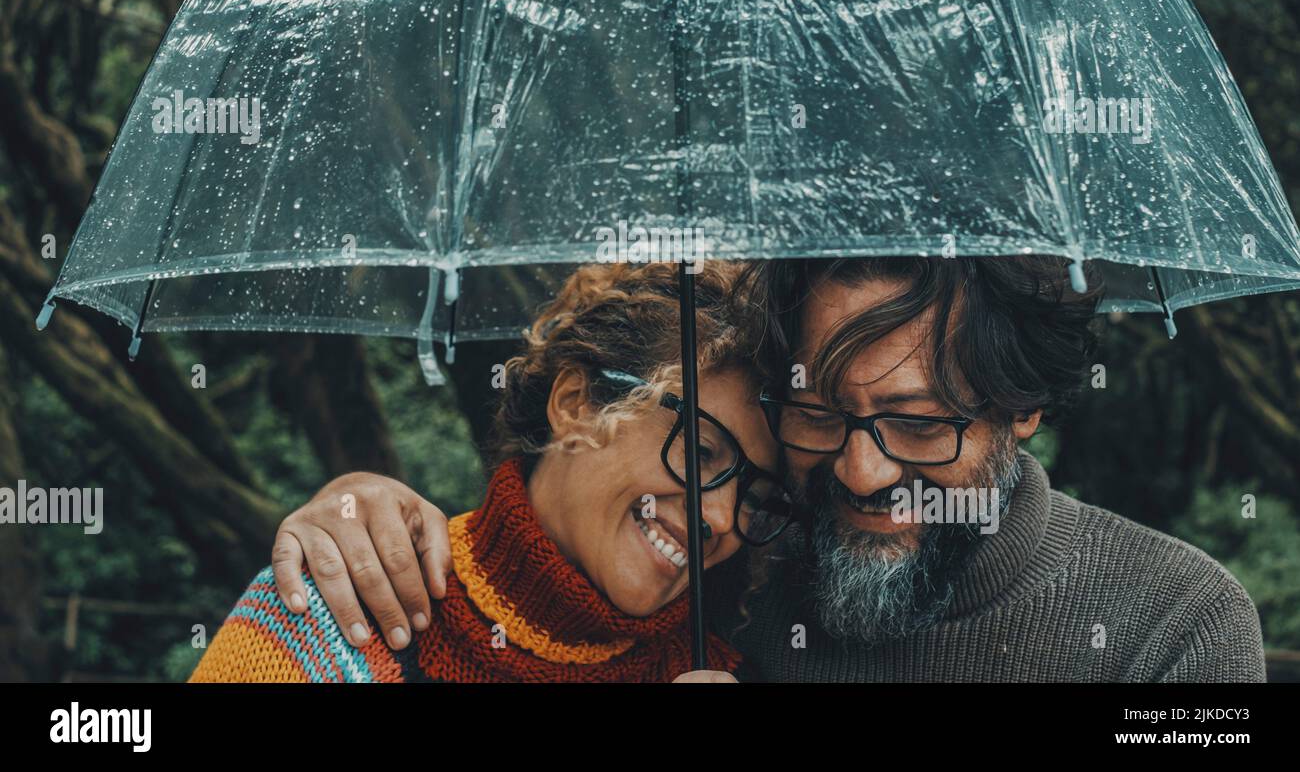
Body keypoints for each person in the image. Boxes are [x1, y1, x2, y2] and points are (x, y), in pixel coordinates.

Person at [273, 255, 1267, 682]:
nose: (864, 470)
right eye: (821, 411)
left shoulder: (1173, 624)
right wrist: (352, 511)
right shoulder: (725, 584)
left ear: (1021, 411)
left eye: (919, 424)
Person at [190, 261, 787, 682]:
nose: (720, 517)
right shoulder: (341, 610)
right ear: (575, 404)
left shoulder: (729, 669)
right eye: (701, 451)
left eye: (755, 498)